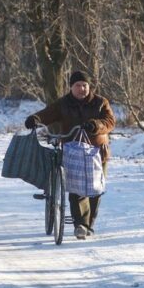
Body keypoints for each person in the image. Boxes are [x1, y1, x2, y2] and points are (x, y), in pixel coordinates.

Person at [25, 71, 115, 240]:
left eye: (85, 85)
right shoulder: (63, 104)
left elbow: (109, 122)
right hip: (73, 151)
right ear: (71, 87)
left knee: (95, 189)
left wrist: (95, 125)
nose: (82, 89)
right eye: (78, 86)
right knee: (75, 187)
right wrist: (35, 119)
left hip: (96, 151)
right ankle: (80, 224)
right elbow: (48, 114)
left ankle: (89, 224)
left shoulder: (101, 103)